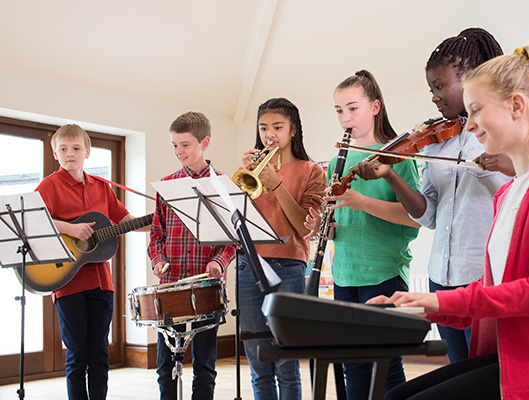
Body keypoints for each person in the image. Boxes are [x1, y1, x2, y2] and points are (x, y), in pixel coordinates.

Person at [370, 45, 529, 399]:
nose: (470, 123)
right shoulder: (507, 195)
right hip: (512, 356)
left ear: (517, 106)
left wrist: (437, 303)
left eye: (477, 110)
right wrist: (414, 308)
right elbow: (494, 304)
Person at [354, 28, 511, 363]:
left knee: (486, 375)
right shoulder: (437, 140)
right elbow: (429, 215)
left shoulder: (499, 131)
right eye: (431, 89)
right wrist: (392, 175)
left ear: (470, 79)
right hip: (442, 276)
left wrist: (494, 166)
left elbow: (523, 187)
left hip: (484, 277)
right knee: (458, 372)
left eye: (440, 86)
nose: (434, 97)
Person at [305, 70, 421, 399]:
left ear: (375, 107)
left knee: (386, 364)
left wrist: (361, 202)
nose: (345, 118)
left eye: (353, 108)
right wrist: (321, 229)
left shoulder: (399, 155)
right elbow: (343, 222)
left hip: (383, 271)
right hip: (345, 273)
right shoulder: (336, 162)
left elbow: (415, 218)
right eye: (339, 111)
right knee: (352, 365)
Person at [35, 124, 147, 400]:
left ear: (87, 151)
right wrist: (70, 229)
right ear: (55, 153)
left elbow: (123, 220)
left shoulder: (101, 186)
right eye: (63, 149)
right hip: (66, 282)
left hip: (101, 282)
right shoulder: (49, 186)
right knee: (76, 354)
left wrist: (156, 222)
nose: (69, 154)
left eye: (75, 149)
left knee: (99, 352)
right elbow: (36, 221)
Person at [237, 98, 326, 400]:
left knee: (286, 362)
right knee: (258, 360)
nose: (269, 133)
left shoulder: (311, 170)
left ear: (293, 130)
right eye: (263, 127)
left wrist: (276, 185)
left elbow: (304, 227)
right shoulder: (249, 170)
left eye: (277, 126)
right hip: (249, 264)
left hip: (289, 265)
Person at [147, 111, 237, 400]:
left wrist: (218, 261)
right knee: (165, 364)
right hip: (171, 285)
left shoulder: (224, 185)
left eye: (185, 144)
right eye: (174, 145)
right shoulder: (166, 185)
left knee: (204, 363)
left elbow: (234, 239)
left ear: (204, 142)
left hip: (207, 286)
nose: (178, 152)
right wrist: (158, 260)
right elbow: (156, 235)